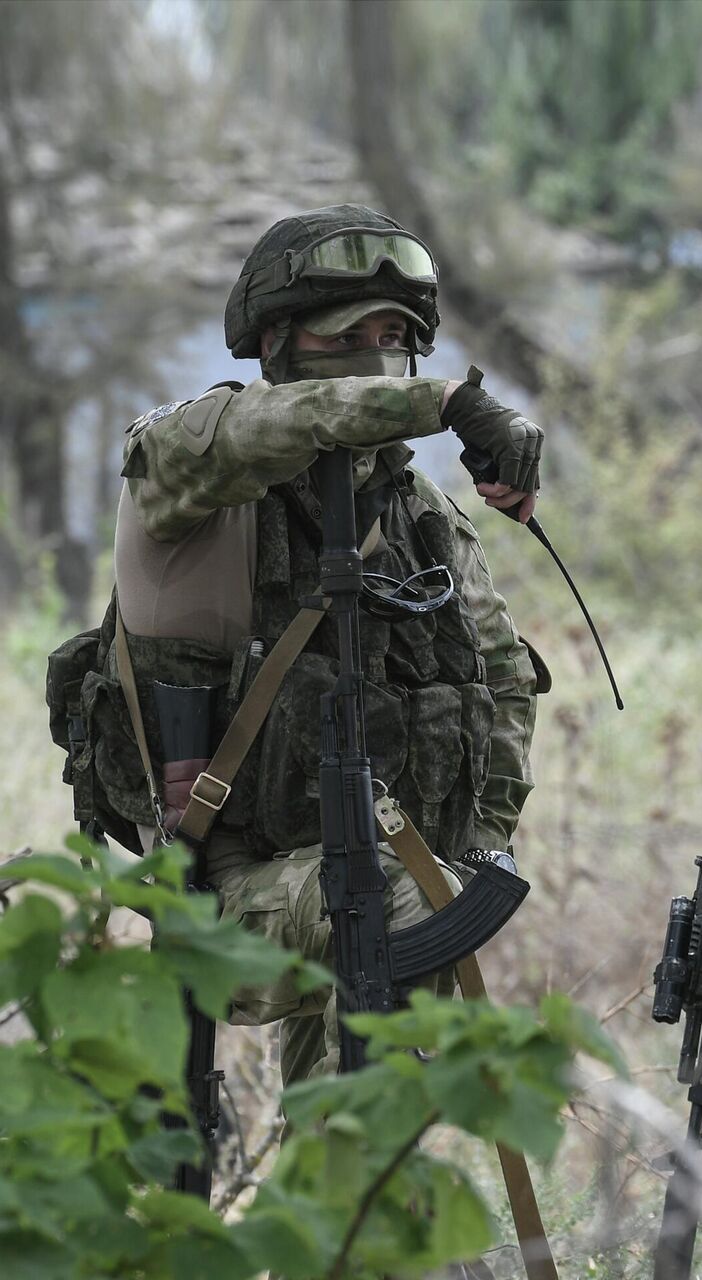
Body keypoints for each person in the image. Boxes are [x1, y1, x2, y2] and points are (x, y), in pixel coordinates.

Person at [105, 203, 548, 1084]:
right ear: (279, 343)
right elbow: (271, 426)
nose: (378, 358)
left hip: (368, 875)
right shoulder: (190, 464)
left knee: (344, 1136)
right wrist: (446, 402)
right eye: (350, 335)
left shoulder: (421, 519)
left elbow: (502, 689)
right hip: (223, 895)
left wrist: (470, 854)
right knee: (400, 905)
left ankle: (343, 1203)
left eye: (397, 336)